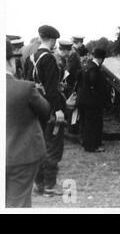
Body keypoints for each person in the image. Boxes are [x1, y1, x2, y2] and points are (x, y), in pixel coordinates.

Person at [23, 25, 66, 195]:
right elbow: (52, 88)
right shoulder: (49, 59)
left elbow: (27, 84)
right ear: (53, 40)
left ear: (40, 37)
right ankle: (49, 185)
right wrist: (58, 110)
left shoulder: (30, 57)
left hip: (35, 106)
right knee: (53, 146)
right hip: (50, 107)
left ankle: (38, 183)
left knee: (38, 145)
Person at [6, 40, 50, 207]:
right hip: (20, 155)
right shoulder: (24, 88)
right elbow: (45, 111)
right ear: (11, 61)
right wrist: (37, 93)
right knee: (18, 203)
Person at [78, 48, 108, 152]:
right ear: (101, 59)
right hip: (92, 101)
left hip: (83, 99)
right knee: (93, 123)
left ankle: (86, 142)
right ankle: (92, 146)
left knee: (86, 123)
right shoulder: (94, 68)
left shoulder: (86, 65)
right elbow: (93, 81)